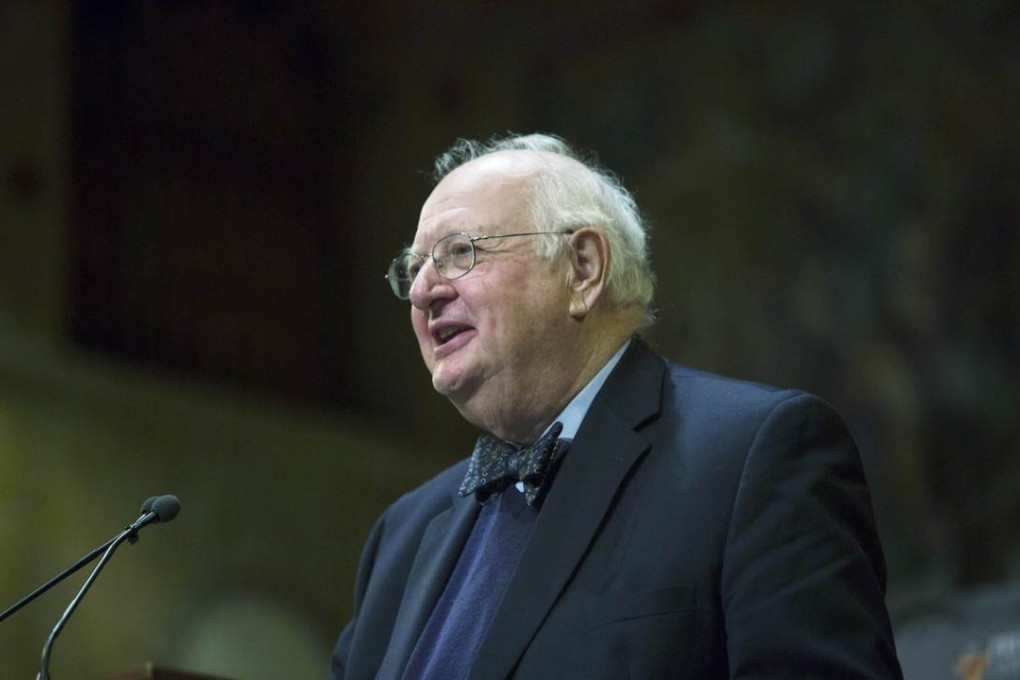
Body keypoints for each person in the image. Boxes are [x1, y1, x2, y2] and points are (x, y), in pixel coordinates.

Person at [330, 133, 902, 679]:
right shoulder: (402, 534)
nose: (424, 290)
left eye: (459, 252)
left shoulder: (755, 457)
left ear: (582, 268)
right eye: (414, 268)